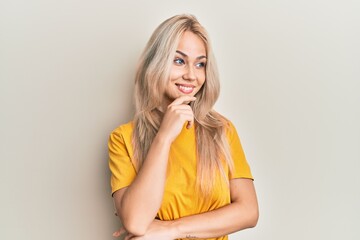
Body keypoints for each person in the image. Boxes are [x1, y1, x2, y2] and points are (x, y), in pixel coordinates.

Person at [108, 14, 258, 240]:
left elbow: (249, 212)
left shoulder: (221, 131)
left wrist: (171, 229)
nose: (191, 75)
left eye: (200, 64)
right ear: (156, 62)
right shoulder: (123, 138)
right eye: (179, 61)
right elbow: (137, 222)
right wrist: (164, 137)